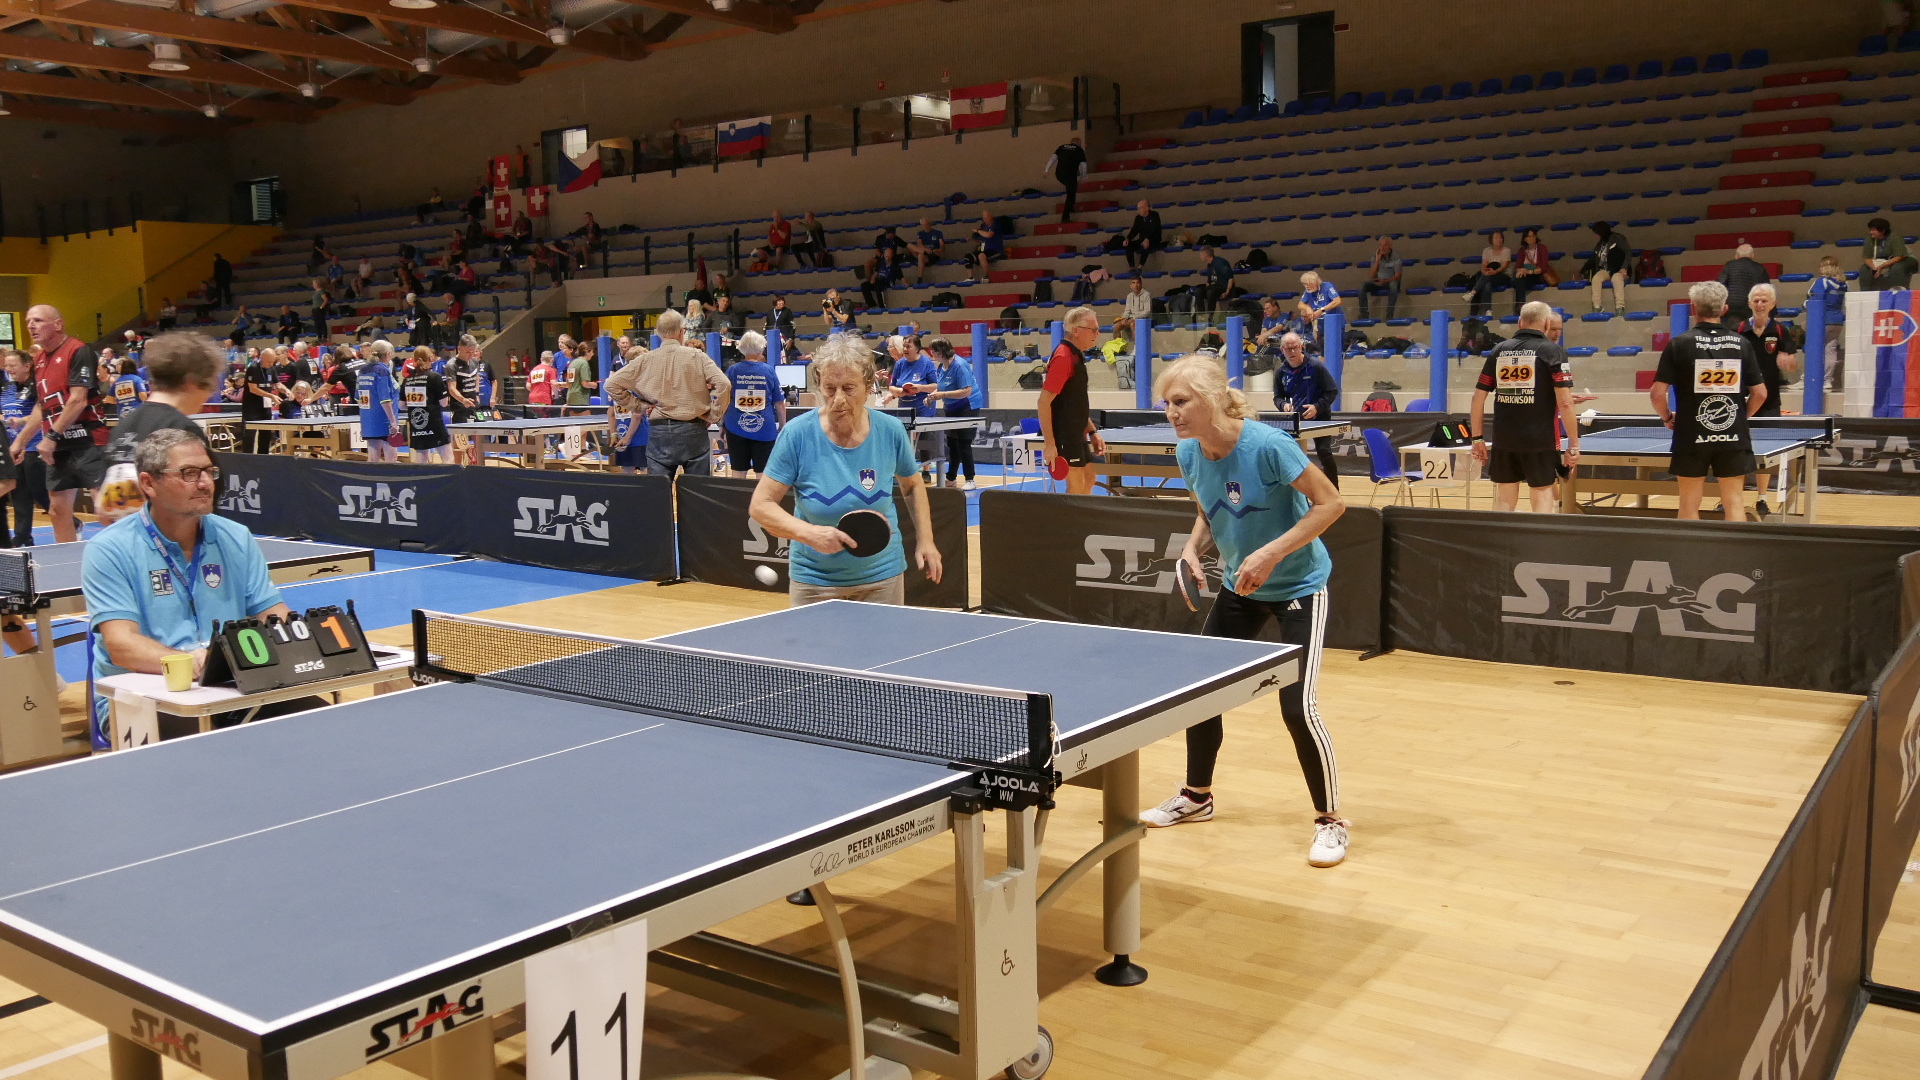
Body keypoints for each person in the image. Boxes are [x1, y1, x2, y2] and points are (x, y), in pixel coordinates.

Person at [1141, 354, 1349, 868]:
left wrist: (1270, 553)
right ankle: (1197, 796)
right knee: (1200, 692)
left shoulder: (1269, 446)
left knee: (1298, 708)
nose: (1171, 412)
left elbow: (1331, 504)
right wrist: (1193, 547)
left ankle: (1331, 820)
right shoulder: (1188, 452)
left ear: (1213, 398)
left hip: (1299, 584)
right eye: (1166, 403)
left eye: (1180, 401)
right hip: (1240, 585)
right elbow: (1209, 508)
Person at [81, 429, 299, 742]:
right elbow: (121, 645)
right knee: (219, 745)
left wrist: (299, 638)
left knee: (317, 723)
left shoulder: (236, 537)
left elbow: (272, 614)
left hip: (232, 688)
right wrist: (191, 663)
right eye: (189, 473)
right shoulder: (109, 549)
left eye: (209, 471)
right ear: (148, 483)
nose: (205, 482)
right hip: (141, 700)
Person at [748, 334, 941, 605]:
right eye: (829, 388)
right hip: (814, 580)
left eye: (849, 388)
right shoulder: (796, 434)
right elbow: (761, 505)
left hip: (882, 576)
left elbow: (912, 485)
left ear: (868, 386)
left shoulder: (891, 431)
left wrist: (926, 540)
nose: (838, 399)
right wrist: (810, 533)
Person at [1648, 281, 1768, 521]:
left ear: (1693, 308)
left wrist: (1667, 418)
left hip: (1691, 435)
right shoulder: (1741, 343)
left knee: (1689, 504)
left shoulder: (1679, 344)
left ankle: (1690, 547)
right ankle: (1736, 547)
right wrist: (1740, 417)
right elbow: (1761, 393)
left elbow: (1657, 393)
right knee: (1734, 502)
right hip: (1732, 434)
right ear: (1724, 309)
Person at [95, 332, 226, 522]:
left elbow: (105, 511)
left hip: (127, 535)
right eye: (211, 385)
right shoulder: (182, 430)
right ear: (192, 382)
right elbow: (201, 501)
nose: (209, 395)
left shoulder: (122, 428)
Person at [1468, 302, 1578, 513]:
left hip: (1504, 439)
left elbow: (1477, 398)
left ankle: (1501, 535)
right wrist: (1574, 445)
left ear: (1520, 322)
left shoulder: (1499, 350)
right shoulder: (1553, 351)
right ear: (1547, 323)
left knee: (1505, 498)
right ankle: (1539, 536)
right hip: (1539, 440)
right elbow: (1565, 403)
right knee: (1542, 494)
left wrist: (1477, 439)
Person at [13, 306, 108, 542]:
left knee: (106, 509)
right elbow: (42, 406)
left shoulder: (78, 350)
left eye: (37, 320)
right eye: (28, 321)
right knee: (57, 510)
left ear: (57, 324)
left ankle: (124, 560)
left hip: (89, 440)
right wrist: (20, 441)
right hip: (59, 446)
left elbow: (78, 400)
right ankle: (69, 560)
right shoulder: (39, 360)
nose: (30, 325)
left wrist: (50, 437)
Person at [621, 308, 729, 478]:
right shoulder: (698, 356)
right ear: (682, 331)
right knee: (696, 490)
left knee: (658, 491)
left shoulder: (645, 359)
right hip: (693, 428)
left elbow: (611, 385)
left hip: (659, 431)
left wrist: (640, 406)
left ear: (658, 333)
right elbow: (724, 384)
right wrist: (713, 414)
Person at [1036, 306, 1106, 495]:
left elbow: (1075, 402)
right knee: (1076, 486)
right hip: (1064, 435)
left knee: (1089, 478)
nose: (1097, 334)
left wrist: (1092, 431)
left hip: (1076, 433)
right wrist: (1050, 444)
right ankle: (1069, 516)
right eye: (1093, 329)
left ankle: (1078, 516)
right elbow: (1043, 402)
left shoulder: (1075, 356)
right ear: (1076, 331)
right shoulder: (1063, 357)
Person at [1272, 333, 1341, 479]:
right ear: (1282, 350)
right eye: (1288, 349)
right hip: (1296, 421)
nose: (1292, 352)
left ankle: (1334, 489)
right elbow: (1278, 397)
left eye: (1295, 348)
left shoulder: (1316, 366)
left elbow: (1332, 391)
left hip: (1320, 417)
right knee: (1293, 455)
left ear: (1301, 347)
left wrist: (1317, 407)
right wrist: (1283, 405)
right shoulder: (1281, 372)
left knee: (1324, 452)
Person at [720, 331, 783, 475]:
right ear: (761, 349)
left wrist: (722, 424)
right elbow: (779, 403)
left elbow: (724, 401)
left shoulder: (732, 371)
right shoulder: (769, 371)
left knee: (738, 472)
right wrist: (782, 426)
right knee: (763, 474)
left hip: (735, 427)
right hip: (764, 429)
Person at [1, 350, 45, 548]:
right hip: (13, 448)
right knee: (19, 494)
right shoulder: (7, 388)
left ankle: (73, 522)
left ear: (27, 366)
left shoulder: (37, 386)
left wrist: (22, 421)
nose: (8, 369)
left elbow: (42, 412)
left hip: (34, 445)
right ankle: (22, 536)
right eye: (6, 365)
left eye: (12, 365)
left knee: (39, 490)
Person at [1739, 283, 1797, 418]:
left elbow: (1793, 368)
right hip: (1742, 400)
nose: (1760, 305)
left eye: (1764, 301)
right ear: (1749, 303)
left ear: (1773, 304)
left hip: (1770, 402)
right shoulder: (1738, 329)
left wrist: (1789, 362)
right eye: (1756, 301)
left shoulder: (1781, 330)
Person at [926, 337, 977, 489]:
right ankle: (951, 478)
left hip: (967, 406)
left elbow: (967, 391)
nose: (931, 353)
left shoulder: (960, 365)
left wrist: (943, 395)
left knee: (963, 443)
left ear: (940, 352)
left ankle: (970, 479)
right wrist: (931, 396)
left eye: (933, 351)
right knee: (952, 443)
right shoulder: (941, 367)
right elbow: (941, 387)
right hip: (951, 407)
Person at [401, 347, 453, 464]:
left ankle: (421, 477)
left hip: (416, 423)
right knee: (448, 457)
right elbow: (444, 403)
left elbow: (401, 405)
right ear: (431, 358)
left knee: (422, 458)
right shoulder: (434, 377)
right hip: (434, 422)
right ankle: (447, 477)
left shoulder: (407, 380)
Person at [357, 340, 403, 464]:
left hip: (368, 421)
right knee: (391, 460)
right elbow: (385, 400)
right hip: (384, 421)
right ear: (388, 354)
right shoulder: (382, 371)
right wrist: (393, 422)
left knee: (372, 460)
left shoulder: (363, 370)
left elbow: (358, 397)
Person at [1808, 255, 1848, 392]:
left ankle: (1808, 379)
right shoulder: (1844, 284)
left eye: (1821, 266)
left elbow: (1815, 300)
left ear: (1825, 267)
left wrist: (1804, 305)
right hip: (1838, 321)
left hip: (1822, 320)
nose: (1819, 269)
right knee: (1830, 350)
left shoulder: (1822, 282)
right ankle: (1828, 380)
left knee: (1814, 349)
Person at [1717, 243, 1772, 324]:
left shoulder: (1729, 266)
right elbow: (1768, 291)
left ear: (1736, 256)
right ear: (1752, 255)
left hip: (1731, 309)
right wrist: (1772, 314)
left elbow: (1720, 286)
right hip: (1752, 308)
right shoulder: (1760, 268)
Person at [1587, 221, 1631, 315]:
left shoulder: (1617, 239)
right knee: (1596, 278)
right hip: (1606, 270)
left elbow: (1628, 252)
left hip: (1619, 270)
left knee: (1616, 279)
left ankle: (1620, 307)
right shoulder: (1600, 244)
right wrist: (1582, 271)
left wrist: (1624, 268)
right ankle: (1597, 306)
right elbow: (1593, 259)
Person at [1467, 230, 1513, 320]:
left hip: (1503, 276)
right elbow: (1484, 265)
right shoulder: (1486, 251)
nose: (1498, 239)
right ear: (1491, 240)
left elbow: (1504, 266)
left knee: (1486, 278)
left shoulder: (1506, 251)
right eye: (1496, 238)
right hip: (1489, 276)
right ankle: (1488, 310)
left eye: (1500, 237)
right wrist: (1485, 271)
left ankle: (1473, 292)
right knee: (1487, 284)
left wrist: (1494, 272)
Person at [1862, 217, 1916, 290]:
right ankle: (1866, 292)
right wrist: (1874, 267)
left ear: (1882, 231)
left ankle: (1898, 291)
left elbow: (1899, 256)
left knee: (1897, 268)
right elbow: (1866, 258)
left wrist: (1881, 267)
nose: (1871, 232)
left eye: (1873, 230)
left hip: (1905, 259)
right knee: (1864, 268)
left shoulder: (1895, 237)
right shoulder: (1869, 239)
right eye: (1870, 230)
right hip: (1884, 261)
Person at [1045, 135, 1088, 224]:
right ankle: (1065, 217)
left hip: (1059, 174)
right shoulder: (1079, 150)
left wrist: (1046, 170)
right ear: (1079, 143)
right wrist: (1083, 176)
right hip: (1070, 174)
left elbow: (1052, 159)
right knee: (1071, 193)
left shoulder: (1061, 147)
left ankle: (1070, 207)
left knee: (1072, 188)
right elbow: (1083, 165)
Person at [1357, 236, 1402, 320]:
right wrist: (1377, 261)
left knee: (1393, 286)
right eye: (1380, 245)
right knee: (1362, 286)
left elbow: (1398, 276)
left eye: (1385, 245)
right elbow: (1371, 275)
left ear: (1390, 246)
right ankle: (1364, 315)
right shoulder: (1375, 256)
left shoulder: (1396, 256)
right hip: (1379, 281)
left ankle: (1389, 315)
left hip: (1391, 280)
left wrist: (1385, 281)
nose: (1382, 248)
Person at [1296, 270, 1341, 344]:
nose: (1306, 286)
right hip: (1319, 325)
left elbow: (1337, 301)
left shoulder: (1327, 286)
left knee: (1333, 345)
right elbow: (1300, 304)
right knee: (1320, 345)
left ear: (1315, 282)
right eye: (1304, 284)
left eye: (1308, 284)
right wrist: (1308, 308)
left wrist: (1322, 310)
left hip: (1332, 323)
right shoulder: (1307, 291)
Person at [1123, 200, 1163, 270]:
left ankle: (1140, 266)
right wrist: (1128, 239)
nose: (1138, 210)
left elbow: (1155, 229)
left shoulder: (1154, 215)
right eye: (1138, 208)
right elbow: (1134, 230)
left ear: (1147, 208)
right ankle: (1132, 267)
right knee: (1128, 245)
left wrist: (1148, 239)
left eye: (1140, 208)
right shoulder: (1138, 218)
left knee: (1146, 245)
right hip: (1142, 239)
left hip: (1153, 239)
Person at [1200, 246, 1235, 323]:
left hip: (1223, 286)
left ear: (1205, 255)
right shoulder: (1209, 265)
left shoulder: (1219, 263)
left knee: (1211, 292)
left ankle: (1210, 315)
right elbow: (1209, 281)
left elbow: (1230, 278)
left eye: (1201, 254)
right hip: (1214, 287)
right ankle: (1201, 315)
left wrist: (1227, 291)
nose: (1200, 257)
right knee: (1198, 291)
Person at [965, 211, 1006, 276]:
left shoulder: (996, 225)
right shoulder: (983, 226)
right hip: (986, 250)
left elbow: (988, 235)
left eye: (987, 217)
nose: (985, 220)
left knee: (981, 256)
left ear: (991, 217)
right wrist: (972, 239)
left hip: (996, 251)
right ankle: (970, 278)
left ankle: (986, 276)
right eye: (984, 218)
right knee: (968, 257)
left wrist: (978, 230)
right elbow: (982, 240)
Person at [908, 218, 945, 285]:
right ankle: (920, 256)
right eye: (924, 225)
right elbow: (919, 243)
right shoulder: (921, 233)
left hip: (933, 253)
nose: (926, 226)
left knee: (921, 255)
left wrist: (936, 250)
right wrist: (926, 249)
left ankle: (919, 278)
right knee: (910, 246)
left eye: (927, 224)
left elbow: (942, 246)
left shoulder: (938, 233)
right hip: (924, 251)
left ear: (930, 224)